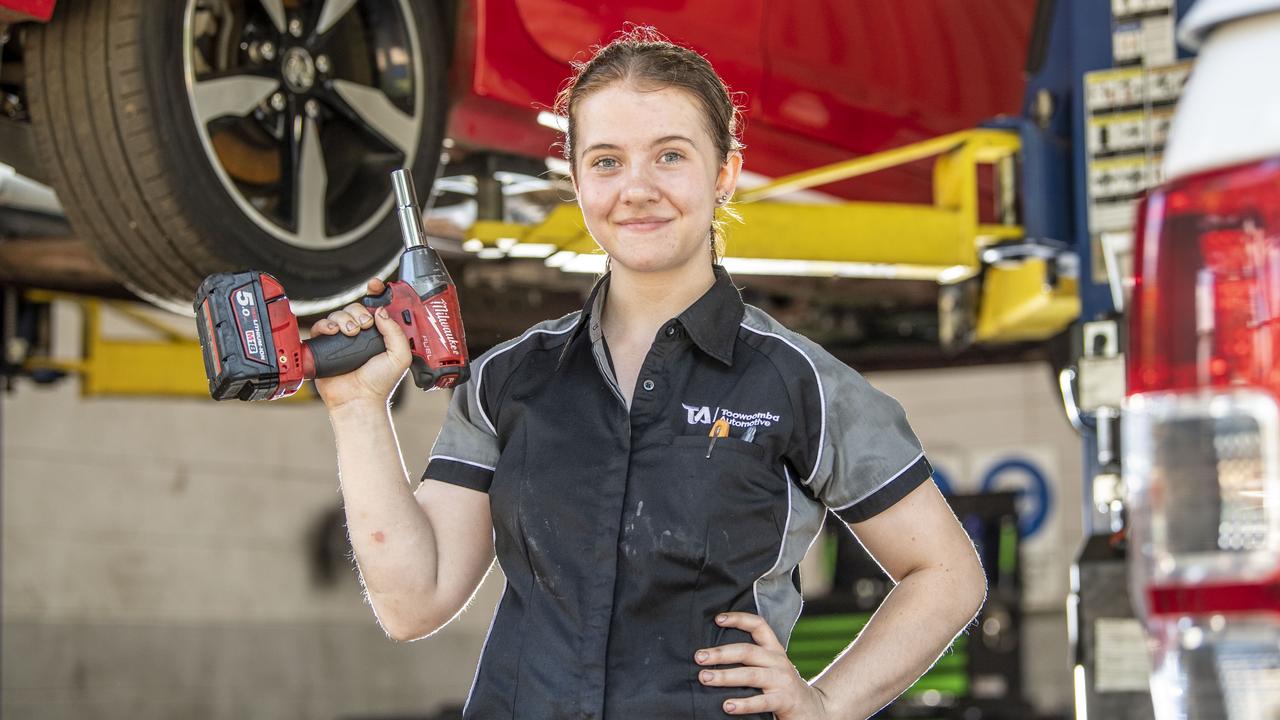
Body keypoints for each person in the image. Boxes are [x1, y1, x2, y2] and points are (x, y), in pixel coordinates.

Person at [312, 27, 987, 720]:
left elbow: (947, 574)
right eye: (606, 162)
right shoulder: (505, 383)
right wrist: (356, 407)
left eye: (670, 156)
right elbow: (412, 602)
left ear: (723, 172)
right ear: (575, 179)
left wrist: (825, 705)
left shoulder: (800, 385)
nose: (636, 189)